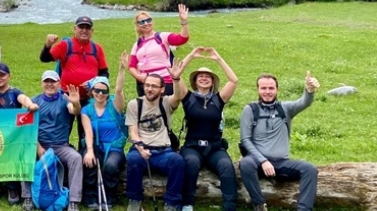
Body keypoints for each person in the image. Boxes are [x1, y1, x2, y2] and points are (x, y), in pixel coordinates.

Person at [168, 47, 239, 211]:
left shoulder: (219, 99)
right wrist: (191, 55)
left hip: (215, 147)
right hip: (192, 146)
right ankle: (187, 204)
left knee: (227, 166)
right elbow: (176, 76)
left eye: (208, 77)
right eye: (201, 76)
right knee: (191, 164)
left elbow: (234, 80)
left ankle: (230, 207)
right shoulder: (188, 97)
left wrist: (218, 59)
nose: (204, 78)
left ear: (213, 82)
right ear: (195, 81)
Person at [239, 72, 320, 211]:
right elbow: (245, 139)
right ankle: (259, 205)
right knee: (245, 163)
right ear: (257, 89)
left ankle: (304, 209)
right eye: (263, 88)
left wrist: (309, 90)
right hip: (257, 162)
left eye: (271, 88)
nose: (267, 92)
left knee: (310, 169)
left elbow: (304, 102)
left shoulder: (285, 108)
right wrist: (263, 161)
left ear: (277, 89)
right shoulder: (250, 110)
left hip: (282, 163)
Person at [41, 16, 108, 151]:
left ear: (92, 31)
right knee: (63, 128)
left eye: (87, 28)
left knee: (86, 132)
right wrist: (48, 45)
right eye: (81, 27)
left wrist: (93, 83)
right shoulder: (66, 45)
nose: (84, 30)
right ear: (75, 29)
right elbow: (45, 58)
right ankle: (62, 156)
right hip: (67, 97)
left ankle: (85, 158)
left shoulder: (97, 49)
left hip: (89, 99)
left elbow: (104, 73)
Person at [21, 70, 82, 211]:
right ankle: (27, 197)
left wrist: (76, 103)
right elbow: (27, 128)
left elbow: (74, 111)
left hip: (61, 146)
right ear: (42, 83)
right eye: (46, 81)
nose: (49, 84)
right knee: (24, 156)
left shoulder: (64, 100)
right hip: (40, 145)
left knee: (76, 158)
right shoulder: (34, 101)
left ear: (59, 83)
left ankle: (74, 200)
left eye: (53, 81)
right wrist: (38, 147)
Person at [0, 62, 39, 206]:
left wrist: (30, 105)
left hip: (13, 136)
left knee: (13, 156)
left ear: (9, 76)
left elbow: (23, 98)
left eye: (2, 75)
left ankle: (13, 188)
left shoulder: (14, 92)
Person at [125, 73, 185, 211]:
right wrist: (141, 149)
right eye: (147, 85)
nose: (149, 89)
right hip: (141, 149)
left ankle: (171, 202)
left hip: (163, 152)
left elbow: (179, 96)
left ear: (162, 89)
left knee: (177, 161)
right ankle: (134, 199)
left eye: (154, 86)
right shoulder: (134, 104)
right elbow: (133, 132)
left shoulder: (166, 103)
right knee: (133, 159)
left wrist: (176, 79)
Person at [81, 52, 129, 210]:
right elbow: (87, 132)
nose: (100, 94)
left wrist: (122, 69)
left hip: (114, 148)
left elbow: (120, 90)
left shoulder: (115, 105)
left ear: (108, 93)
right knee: (89, 162)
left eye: (104, 91)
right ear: (92, 92)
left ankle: (109, 196)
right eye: (97, 91)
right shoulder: (86, 109)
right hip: (94, 145)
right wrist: (89, 151)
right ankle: (90, 196)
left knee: (110, 165)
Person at [128, 5, 190, 96]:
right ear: (137, 25)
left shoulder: (162, 37)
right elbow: (131, 66)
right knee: (146, 109)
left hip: (163, 81)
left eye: (148, 20)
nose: (146, 23)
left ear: (152, 22)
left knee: (162, 108)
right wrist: (138, 77)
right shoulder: (137, 44)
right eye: (141, 22)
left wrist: (183, 21)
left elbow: (182, 38)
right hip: (144, 83)